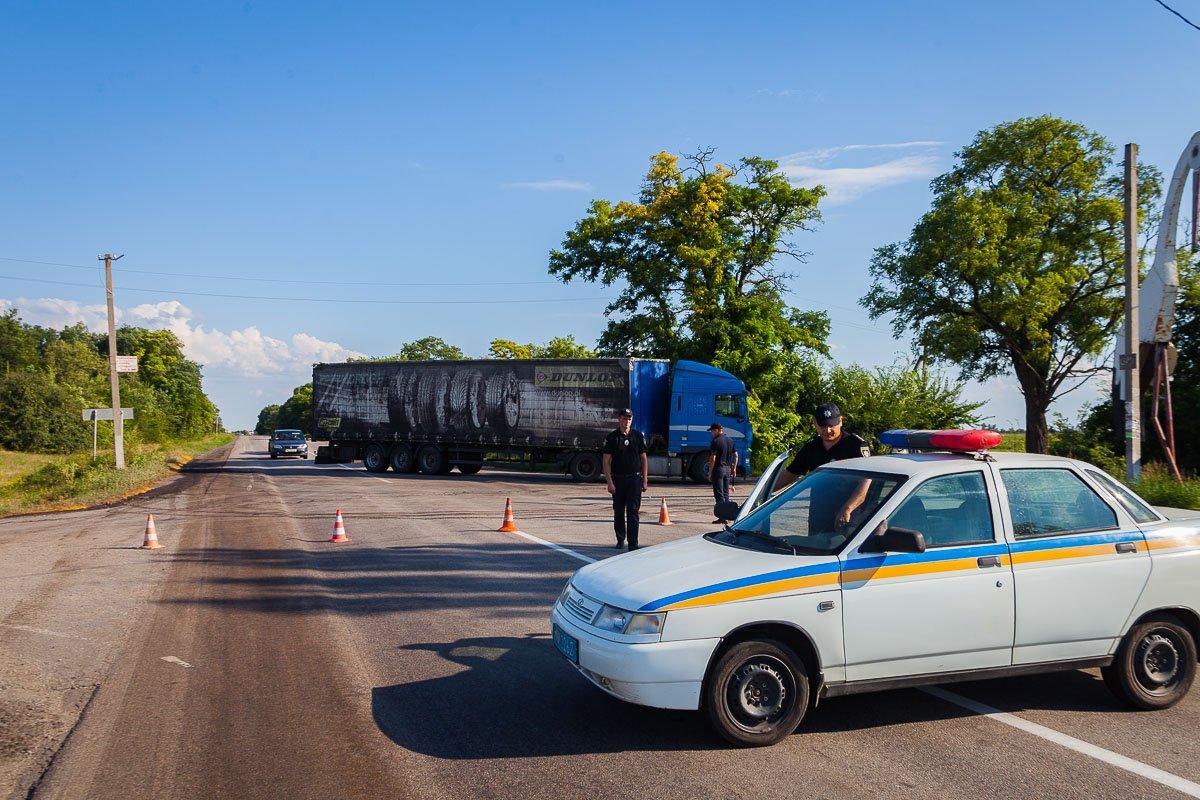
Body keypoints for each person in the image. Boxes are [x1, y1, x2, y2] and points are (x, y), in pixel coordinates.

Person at [771, 402, 872, 528]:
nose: (827, 430)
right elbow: (789, 475)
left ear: (841, 421)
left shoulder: (855, 446)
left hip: (849, 516)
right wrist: (761, 494)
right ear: (815, 422)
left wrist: (848, 508)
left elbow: (866, 481)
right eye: (823, 426)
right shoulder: (811, 448)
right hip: (818, 514)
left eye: (832, 425)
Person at [603, 408, 649, 550]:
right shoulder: (612, 438)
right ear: (619, 419)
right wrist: (609, 482)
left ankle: (633, 543)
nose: (627, 421)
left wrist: (645, 479)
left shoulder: (637, 436)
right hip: (618, 479)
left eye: (629, 419)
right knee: (619, 511)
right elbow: (606, 460)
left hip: (634, 479)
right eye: (624, 418)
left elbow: (643, 458)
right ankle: (620, 538)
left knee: (633, 511)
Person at [707, 422, 738, 521]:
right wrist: (734, 468)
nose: (711, 433)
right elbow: (736, 455)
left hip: (718, 469)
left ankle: (722, 517)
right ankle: (727, 515)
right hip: (728, 469)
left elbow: (713, 458)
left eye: (712, 431)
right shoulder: (730, 440)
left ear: (716, 430)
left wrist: (710, 472)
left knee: (719, 493)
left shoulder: (715, 441)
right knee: (726, 493)